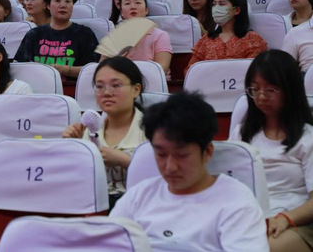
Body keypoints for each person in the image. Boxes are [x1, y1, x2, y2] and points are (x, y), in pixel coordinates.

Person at [111, 92, 268, 251]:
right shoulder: (138, 196)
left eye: (182, 155)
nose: (170, 167)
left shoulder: (236, 201)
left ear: (207, 152)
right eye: (161, 154)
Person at [231, 50, 313, 251]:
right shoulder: (241, 133)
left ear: (290, 90)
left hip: (296, 221)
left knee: (263, 247)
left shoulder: (307, 138)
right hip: (250, 217)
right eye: (255, 89)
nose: (261, 97)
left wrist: (286, 218)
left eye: (271, 90)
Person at [63, 57, 145, 207]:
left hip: (139, 206)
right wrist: (74, 146)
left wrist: (125, 160)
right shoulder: (88, 129)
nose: (106, 93)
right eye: (99, 86)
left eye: (116, 85)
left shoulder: (153, 129)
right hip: (93, 205)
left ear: (136, 89)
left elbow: (164, 176)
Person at [14, 0, 99, 77]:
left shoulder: (84, 33)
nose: (63, 5)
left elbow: (94, 70)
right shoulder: (34, 34)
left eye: (68, 1)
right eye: (57, 1)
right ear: (48, 5)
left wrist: (67, 70)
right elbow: (20, 67)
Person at [186, 0, 267, 73]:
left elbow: (256, 71)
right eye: (214, 4)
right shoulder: (206, 40)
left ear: (237, 10)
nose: (216, 8)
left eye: (221, 4)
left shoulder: (252, 39)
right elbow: (191, 70)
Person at [103, 0, 172, 74]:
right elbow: (102, 68)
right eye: (127, 3)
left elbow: (162, 68)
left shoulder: (160, 35)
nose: (133, 7)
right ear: (121, 12)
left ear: (146, 10)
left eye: (138, 3)